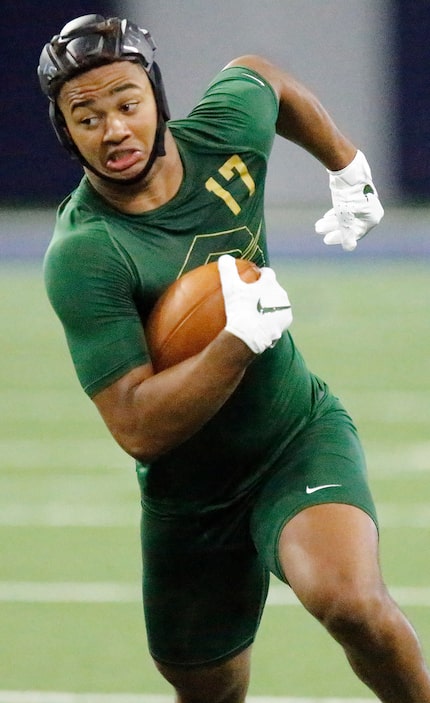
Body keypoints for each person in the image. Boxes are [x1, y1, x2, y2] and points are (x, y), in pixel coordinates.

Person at [38, 14, 430, 703]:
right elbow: (137, 427)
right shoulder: (86, 253)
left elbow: (263, 76)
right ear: (64, 132)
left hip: (292, 437)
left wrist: (347, 164)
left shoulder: (222, 136)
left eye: (127, 103)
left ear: (158, 97)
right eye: (87, 116)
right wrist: (234, 344)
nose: (115, 130)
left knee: (351, 603)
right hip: (188, 496)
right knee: (209, 693)